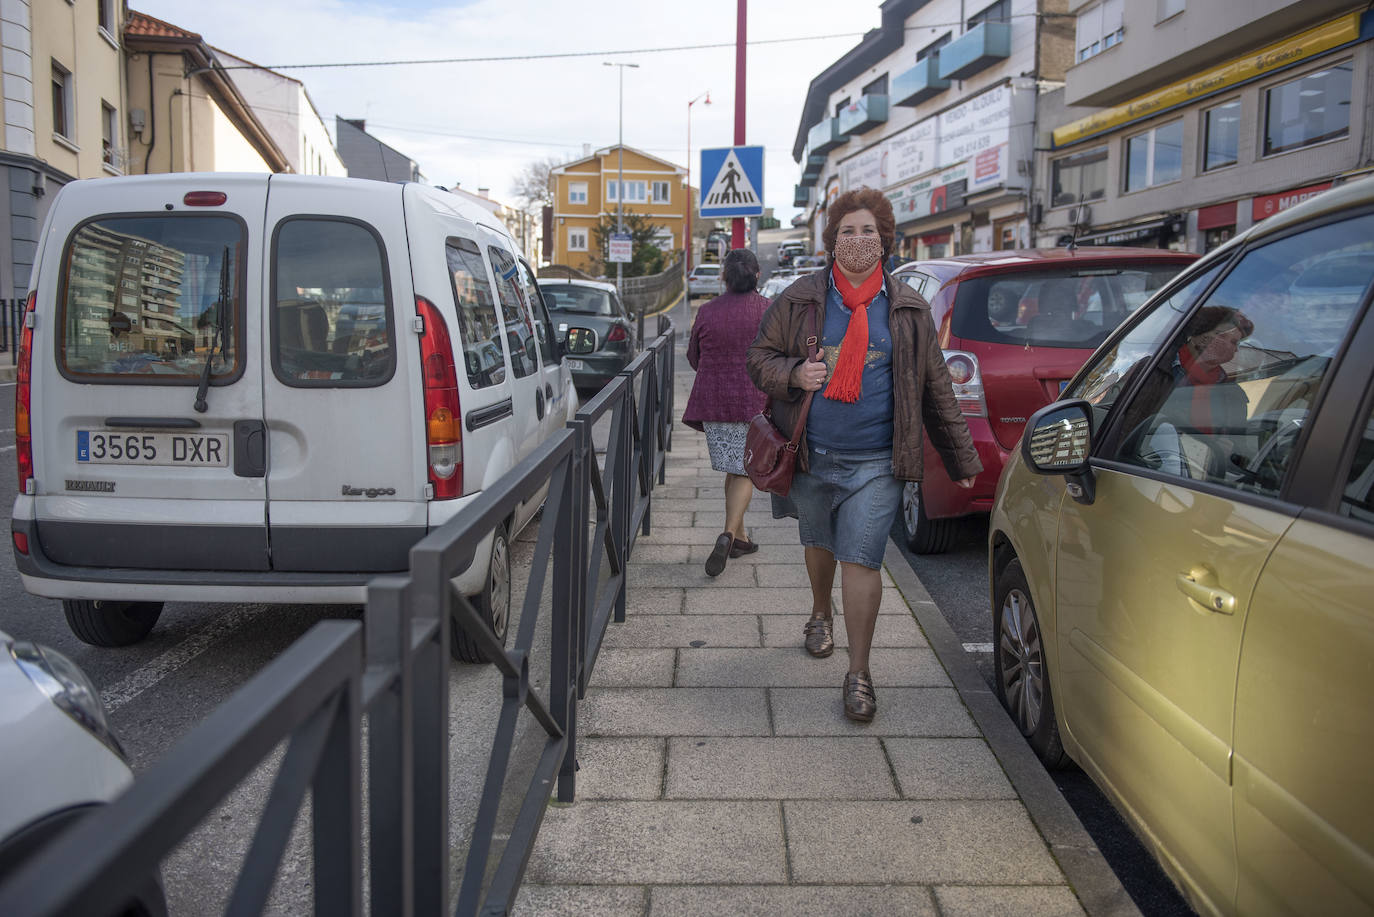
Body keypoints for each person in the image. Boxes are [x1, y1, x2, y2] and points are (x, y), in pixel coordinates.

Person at [747, 188, 982, 722]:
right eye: (848, 231)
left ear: (885, 241)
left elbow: (935, 385)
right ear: (832, 240)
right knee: (819, 544)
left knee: (862, 557)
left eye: (868, 231)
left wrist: (962, 459)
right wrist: (793, 374)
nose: (858, 240)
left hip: (878, 460)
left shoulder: (907, 308)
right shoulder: (802, 299)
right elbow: (758, 358)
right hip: (810, 451)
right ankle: (817, 611)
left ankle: (859, 673)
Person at [683, 248, 771, 576]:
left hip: (715, 403)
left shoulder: (706, 311)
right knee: (745, 470)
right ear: (757, 274)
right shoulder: (769, 310)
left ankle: (741, 538)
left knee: (734, 469)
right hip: (756, 405)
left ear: (724, 276)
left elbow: (694, 356)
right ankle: (728, 535)